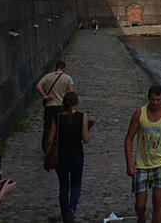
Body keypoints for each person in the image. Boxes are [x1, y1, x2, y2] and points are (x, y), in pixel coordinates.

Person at [124, 85, 161, 223]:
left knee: (158, 202)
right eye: (152, 100)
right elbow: (129, 138)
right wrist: (129, 162)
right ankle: (141, 218)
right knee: (140, 204)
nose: (155, 103)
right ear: (149, 99)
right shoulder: (139, 114)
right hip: (141, 164)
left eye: (158, 100)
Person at [46, 92, 89, 223]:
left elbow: (50, 139)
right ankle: (71, 209)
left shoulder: (57, 118)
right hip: (76, 155)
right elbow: (86, 139)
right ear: (76, 103)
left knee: (63, 186)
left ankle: (65, 213)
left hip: (61, 157)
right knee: (76, 184)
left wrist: (48, 154)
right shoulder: (82, 117)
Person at [35, 61, 74, 156]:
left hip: (50, 106)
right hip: (61, 106)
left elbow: (38, 85)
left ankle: (46, 149)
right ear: (64, 68)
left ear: (55, 68)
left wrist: (45, 96)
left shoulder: (48, 76)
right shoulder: (67, 78)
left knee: (48, 128)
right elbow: (71, 93)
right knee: (61, 128)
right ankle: (60, 148)